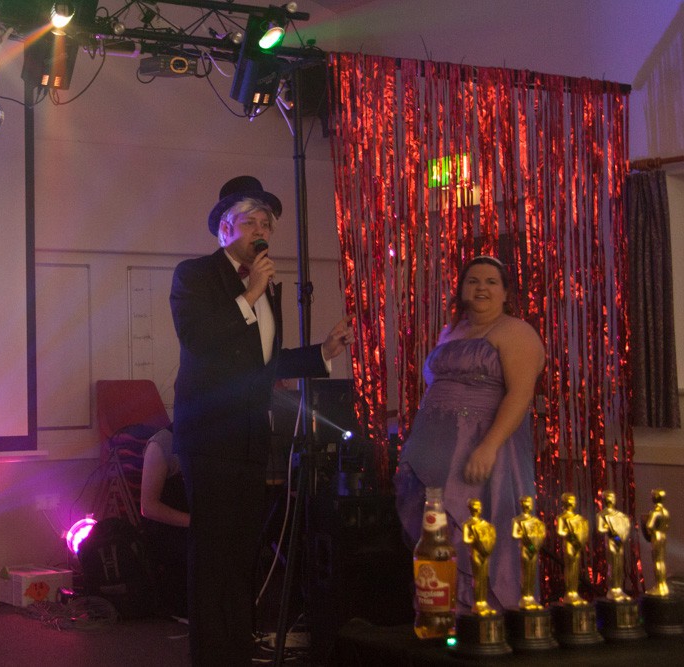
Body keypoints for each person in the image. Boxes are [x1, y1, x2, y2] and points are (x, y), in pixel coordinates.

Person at [170, 175, 353, 666]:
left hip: (253, 435)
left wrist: (321, 353)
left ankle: (235, 651)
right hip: (210, 436)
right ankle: (211, 657)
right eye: (249, 221)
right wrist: (250, 293)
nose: (260, 230)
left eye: (266, 223)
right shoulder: (195, 275)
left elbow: (265, 363)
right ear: (225, 229)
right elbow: (201, 341)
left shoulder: (267, 288)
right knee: (213, 556)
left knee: (242, 554)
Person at [394, 255, 545, 613]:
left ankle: (481, 614)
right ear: (461, 289)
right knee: (435, 532)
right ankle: (440, 614)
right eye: (473, 281)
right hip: (434, 450)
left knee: (474, 530)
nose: (481, 288)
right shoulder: (452, 331)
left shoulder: (516, 331)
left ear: (506, 292)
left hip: (481, 446)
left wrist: (488, 447)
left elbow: (520, 394)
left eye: (491, 282)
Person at [139, 426, 189, 619]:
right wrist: (194, 522)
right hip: (172, 532)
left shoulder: (215, 439)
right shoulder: (162, 444)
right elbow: (148, 507)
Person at [462, 498, 496, 615]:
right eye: (475, 506)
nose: (477, 508)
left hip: (484, 553)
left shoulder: (485, 524)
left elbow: (490, 536)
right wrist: (477, 537)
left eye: (479, 506)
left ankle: (484, 602)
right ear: (470, 508)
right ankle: (478, 603)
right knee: (477, 578)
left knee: (484, 577)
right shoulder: (468, 524)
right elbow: (466, 539)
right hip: (475, 552)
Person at [511, 495, 546, 610]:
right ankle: (525, 597)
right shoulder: (518, 520)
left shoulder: (536, 521)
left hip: (533, 549)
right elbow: (515, 535)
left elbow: (541, 534)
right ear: (522, 505)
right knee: (525, 573)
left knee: (532, 573)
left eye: (529, 503)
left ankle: (531, 597)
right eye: (525, 503)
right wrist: (526, 538)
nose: (528, 505)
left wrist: (535, 544)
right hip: (526, 549)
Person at [596, 490, 631, 601]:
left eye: (613, 497)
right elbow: (600, 529)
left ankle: (619, 588)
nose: (611, 499)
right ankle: (613, 589)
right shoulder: (602, 515)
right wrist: (610, 530)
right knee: (613, 565)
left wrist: (620, 536)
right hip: (611, 542)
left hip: (619, 542)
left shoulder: (621, 516)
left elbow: (625, 528)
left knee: (619, 566)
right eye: (609, 497)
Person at [556, 492, 590, 605]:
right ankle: (569, 593)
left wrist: (579, 538)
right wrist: (570, 533)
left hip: (576, 546)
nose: (572, 502)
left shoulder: (579, 518)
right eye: (570, 500)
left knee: (575, 569)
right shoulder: (562, 517)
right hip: (569, 545)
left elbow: (583, 531)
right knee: (570, 568)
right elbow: (560, 531)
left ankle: (574, 592)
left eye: (573, 500)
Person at [642, 487, 670, 596]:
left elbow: (649, 526)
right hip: (663, 536)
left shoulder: (655, 512)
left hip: (656, 536)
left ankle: (659, 586)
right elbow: (667, 525)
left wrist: (646, 522)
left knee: (657, 561)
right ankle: (663, 584)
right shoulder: (665, 512)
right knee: (662, 561)